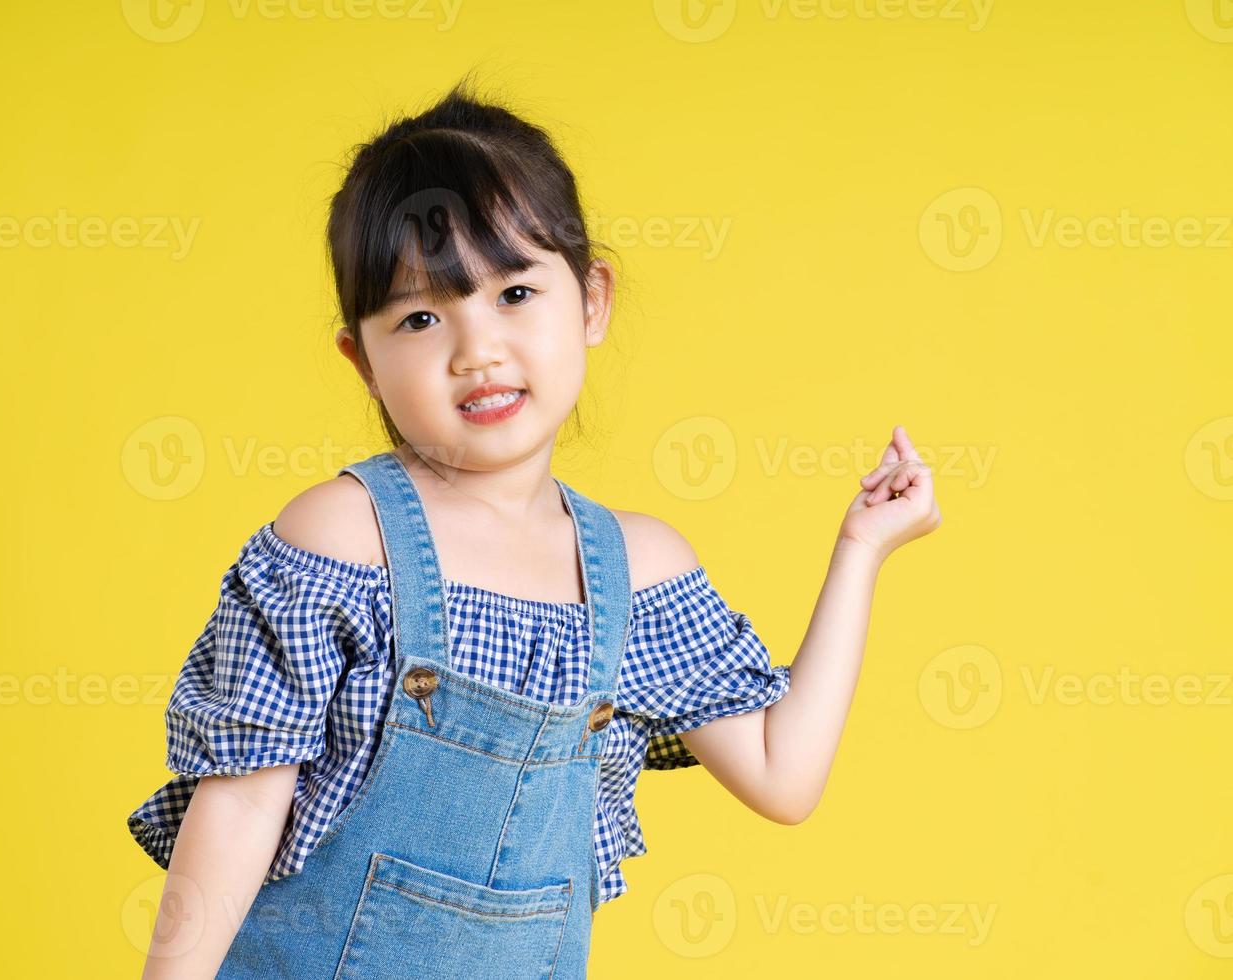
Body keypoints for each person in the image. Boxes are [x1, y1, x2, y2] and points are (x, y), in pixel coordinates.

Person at [129, 77, 943, 979]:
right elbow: (239, 807)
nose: (476, 350)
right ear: (361, 360)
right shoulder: (341, 542)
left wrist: (860, 552)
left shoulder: (637, 573)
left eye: (514, 293)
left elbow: (783, 775)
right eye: (422, 316)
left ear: (592, 300)